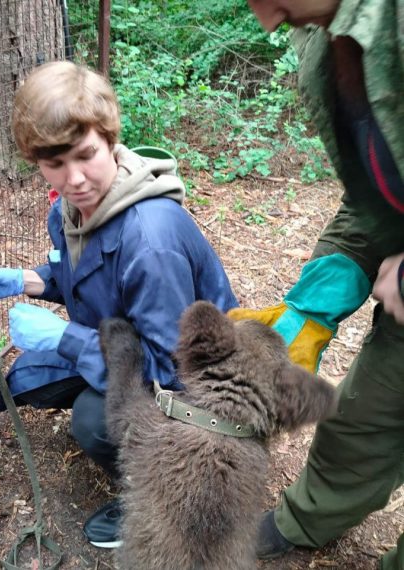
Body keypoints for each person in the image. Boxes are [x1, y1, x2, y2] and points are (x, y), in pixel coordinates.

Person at [0, 61, 238, 549]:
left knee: (94, 419)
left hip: (201, 393)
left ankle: (167, 497)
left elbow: (169, 373)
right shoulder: (72, 209)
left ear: (109, 138)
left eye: (85, 155)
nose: (74, 179)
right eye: (55, 164)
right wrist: (26, 280)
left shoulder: (150, 241)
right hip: (128, 339)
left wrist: (64, 337)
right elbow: (89, 276)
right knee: (29, 377)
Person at [230, 1, 404, 567]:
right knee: (360, 418)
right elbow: (378, 193)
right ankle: (305, 520)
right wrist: (313, 307)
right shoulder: (325, 32)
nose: (267, 19)